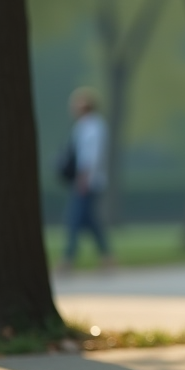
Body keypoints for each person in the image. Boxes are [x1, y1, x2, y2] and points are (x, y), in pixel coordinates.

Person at [61, 87, 113, 271]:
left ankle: (68, 258)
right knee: (90, 221)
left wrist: (83, 179)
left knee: (74, 219)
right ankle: (106, 256)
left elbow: (90, 156)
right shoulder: (86, 126)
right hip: (87, 181)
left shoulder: (92, 126)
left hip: (87, 182)